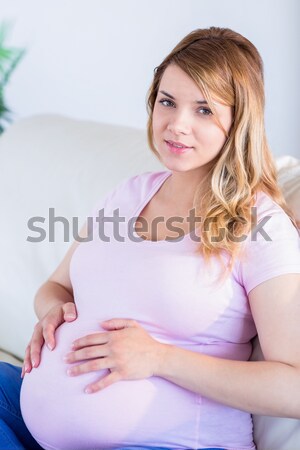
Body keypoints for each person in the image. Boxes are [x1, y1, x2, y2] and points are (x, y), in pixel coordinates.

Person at [0, 26, 300, 450]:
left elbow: (294, 387)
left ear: (238, 122)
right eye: (167, 102)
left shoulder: (259, 225)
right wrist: (52, 312)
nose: (177, 124)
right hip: (42, 424)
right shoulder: (128, 194)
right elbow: (56, 286)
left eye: (203, 110)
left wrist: (161, 358)